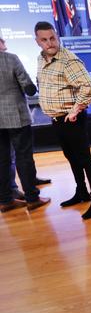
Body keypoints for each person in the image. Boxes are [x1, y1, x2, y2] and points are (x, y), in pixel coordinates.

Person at [35, 21, 91, 220]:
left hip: (71, 119)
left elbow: (89, 86)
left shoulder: (68, 60)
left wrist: (75, 110)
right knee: (71, 157)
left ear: (56, 36)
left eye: (52, 38)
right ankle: (81, 192)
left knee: (84, 159)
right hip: (56, 120)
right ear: (37, 41)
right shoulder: (41, 59)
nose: (50, 43)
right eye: (44, 40)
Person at [0, 42, 50, 213]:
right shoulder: (10, 58)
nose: (5, 44)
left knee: (2, 160)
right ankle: (32, 198)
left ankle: (6, 201)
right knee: (24, 158)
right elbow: (29, 89)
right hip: (16, 117)